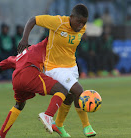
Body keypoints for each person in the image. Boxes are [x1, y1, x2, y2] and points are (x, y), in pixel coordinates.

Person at [18, 4, 96, 137]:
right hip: (54, 67)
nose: (81, 25)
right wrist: (25, 38)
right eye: (78, 22)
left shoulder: (82, 28)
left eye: (84, 23)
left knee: (71, 96)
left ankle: (58, 125)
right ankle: (87, 126)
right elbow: (33, 20)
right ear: (71, 17)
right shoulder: (57, 22)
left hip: (71, 66)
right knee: (79, 91)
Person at [0, 38, 69, 138]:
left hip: (16, 79)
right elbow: (52, 36)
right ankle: (48, 115)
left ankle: (0, 135)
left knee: (19, 105)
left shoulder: (15, 58)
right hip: (29, 73)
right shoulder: (37, 47)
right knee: (62, 90)